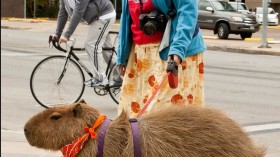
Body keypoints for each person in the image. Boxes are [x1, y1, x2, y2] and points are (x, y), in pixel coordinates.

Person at [117, 0, 207, 117]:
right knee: (132, 117)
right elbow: (126, 18)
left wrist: (178, 48)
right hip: (140, 56)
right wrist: (122, 56)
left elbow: (187, 11)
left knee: (163, 119)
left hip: (172, 52)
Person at [53, 0, 116, 86]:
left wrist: (66, 35)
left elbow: (78, 13)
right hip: (96, 18)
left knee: (90, 44)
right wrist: (57, 34)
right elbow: (62, 13)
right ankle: (120, 77)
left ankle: (100, 78)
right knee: (107, 51)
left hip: (104, 15)